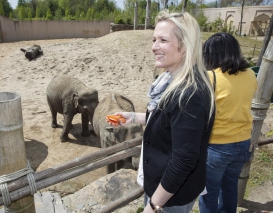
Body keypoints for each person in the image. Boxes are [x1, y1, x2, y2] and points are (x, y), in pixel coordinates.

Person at [108, 11, 215, 213]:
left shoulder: (189, 94)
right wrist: (133, 117)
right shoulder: (172, 81)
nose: (154, 47)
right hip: (163, 187)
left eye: (163, 40)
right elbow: (169, 122)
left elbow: (184, 160)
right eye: (154, 39)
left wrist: (154, 206)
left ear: (184, 46)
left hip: (171, 196)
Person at [198, 32, 257, 213]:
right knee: (229, 188)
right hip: (243, 143)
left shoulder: (210, 77)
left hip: (217, 146)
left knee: (209, 194)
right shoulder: (250, 74)